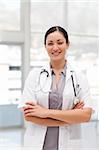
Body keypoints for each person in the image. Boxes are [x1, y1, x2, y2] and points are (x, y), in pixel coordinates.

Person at [18, 26, 93, 150]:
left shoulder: (79, 77)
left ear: (67, 44)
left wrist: (45, 112)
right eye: (50, 43)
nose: (55, 48)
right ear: (45, 46)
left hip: (69, 144)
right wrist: (70, 117)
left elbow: (86, 115)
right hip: (37, 144)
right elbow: (29, 115)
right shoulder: (34, 75)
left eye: (60, 42)